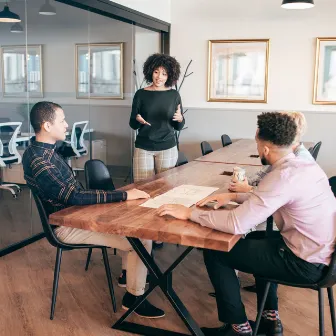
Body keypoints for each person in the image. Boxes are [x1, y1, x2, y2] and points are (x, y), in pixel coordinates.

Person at [157, 112, 336, 336]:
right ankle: (270, 319)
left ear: (265, 149)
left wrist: (189, 213)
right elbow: (270, 198)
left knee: (216, 251)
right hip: (323, 256)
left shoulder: (282, 176)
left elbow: (236, 223)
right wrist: (231, 197)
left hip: (306, 264)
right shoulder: (302, 167)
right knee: (255, 242)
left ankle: (238, 328)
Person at [23, 101, 165, 319]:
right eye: (62, 121)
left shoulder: (45, 151)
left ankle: (128, 277)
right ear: (47, 126)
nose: (67, 125)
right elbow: (75, 196)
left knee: (133, 225)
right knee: (142, 238)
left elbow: (75, 195)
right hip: (65, 224)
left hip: (76, 214)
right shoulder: (39, 160)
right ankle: (134, 299)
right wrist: (124, 194)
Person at [129, 53, 185, 248]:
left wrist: (180, 120)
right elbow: (131, 123)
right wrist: (137, 120)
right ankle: (144, 229)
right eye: (156, 72)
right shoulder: (141, 94)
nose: (159, 77)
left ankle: (160, 232)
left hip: (168, 147)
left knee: (165, 191)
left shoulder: (173, 94)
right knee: (143, 190)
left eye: (163, 73)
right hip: (144, 146)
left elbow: (178, 125)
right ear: (150, 72)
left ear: (170, 75)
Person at [229, 111, 314, 193]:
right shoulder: (284, 152)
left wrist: (248, 188)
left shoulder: (299, 160)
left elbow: (281, 193)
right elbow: (263, 175)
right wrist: (245, 182)